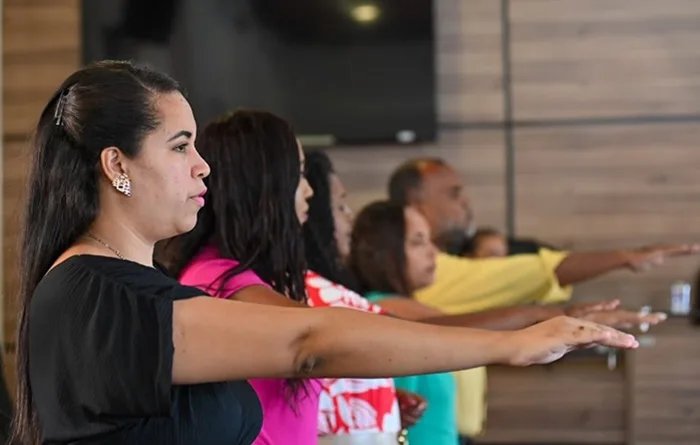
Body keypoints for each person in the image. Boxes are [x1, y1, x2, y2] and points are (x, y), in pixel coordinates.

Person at [16, 61, 639, 445]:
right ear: (117, 165)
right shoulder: (97, 295)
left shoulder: (118, 289)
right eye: (180, 147)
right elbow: (305, 343)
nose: (202, 167)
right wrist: (512, 344)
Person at [302, 151, 665, 444]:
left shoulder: (362, 302)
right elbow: (451, 329)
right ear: (382, 253)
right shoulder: (375, 305)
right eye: (417, 242)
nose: (432, 255)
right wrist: (550, 320)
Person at [387, 157, 695, 441]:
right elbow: (534, 274)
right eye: (453, 194)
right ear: (416, 204)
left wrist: (562, 316)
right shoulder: (417, 285)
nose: (465, 202)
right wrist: (625, 259)